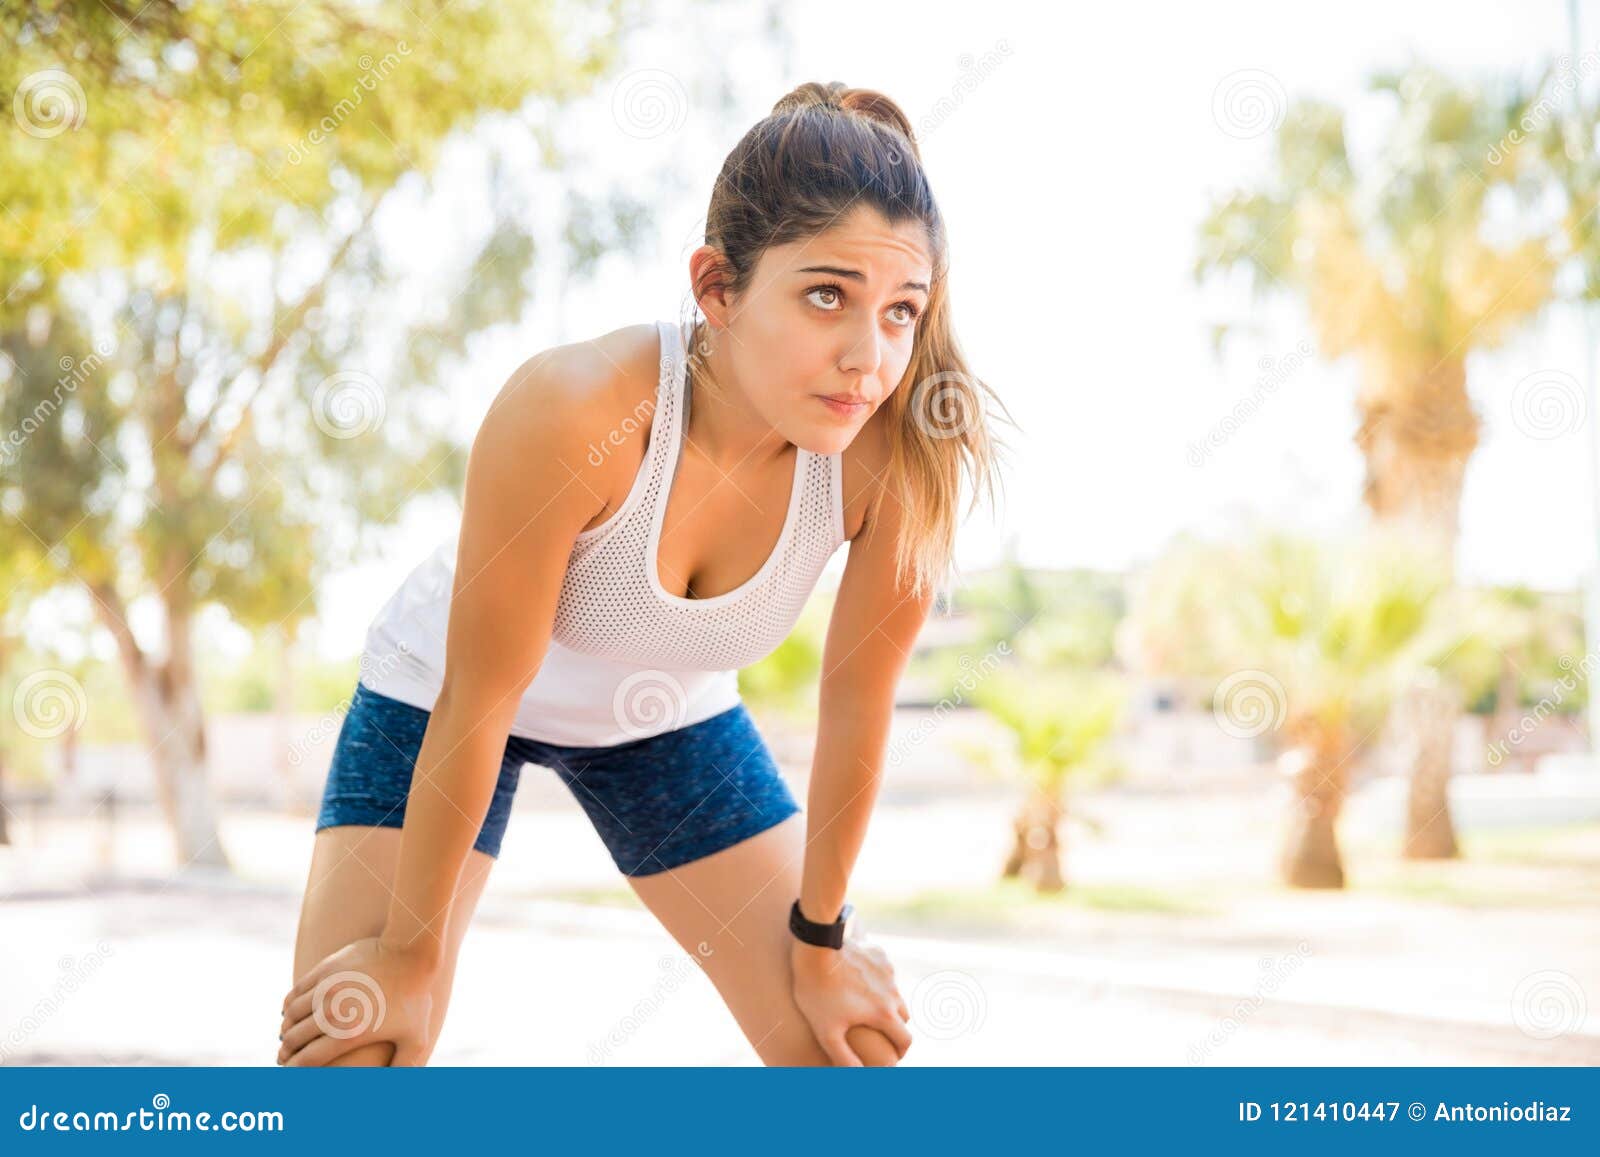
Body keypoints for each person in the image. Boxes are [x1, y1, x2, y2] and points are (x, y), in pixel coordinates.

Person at [277, 80, 1005, 1067]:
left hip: (665, 720)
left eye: (899, 311)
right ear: (716, 286)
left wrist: (821, 937)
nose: (866, 359)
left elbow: (855, 708)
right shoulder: (575, 409)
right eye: (826, 295)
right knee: (355, 1052)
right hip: (444, 699)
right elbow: (483, 698)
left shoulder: (892, 462)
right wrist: (410, 953)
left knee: (849, 1057)